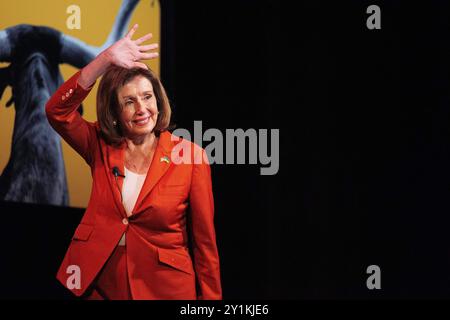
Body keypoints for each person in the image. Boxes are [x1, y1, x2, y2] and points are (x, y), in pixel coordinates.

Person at [45, 24, 222, 300]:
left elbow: (205, 245)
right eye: (129, 102)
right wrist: (104, 60)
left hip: (165, 289)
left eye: (147, 97)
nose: (141, 109)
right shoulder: (99, 144)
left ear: (158, 101)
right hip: (101, 284)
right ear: (114, 112)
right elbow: (57, 111)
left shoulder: (190, 157)